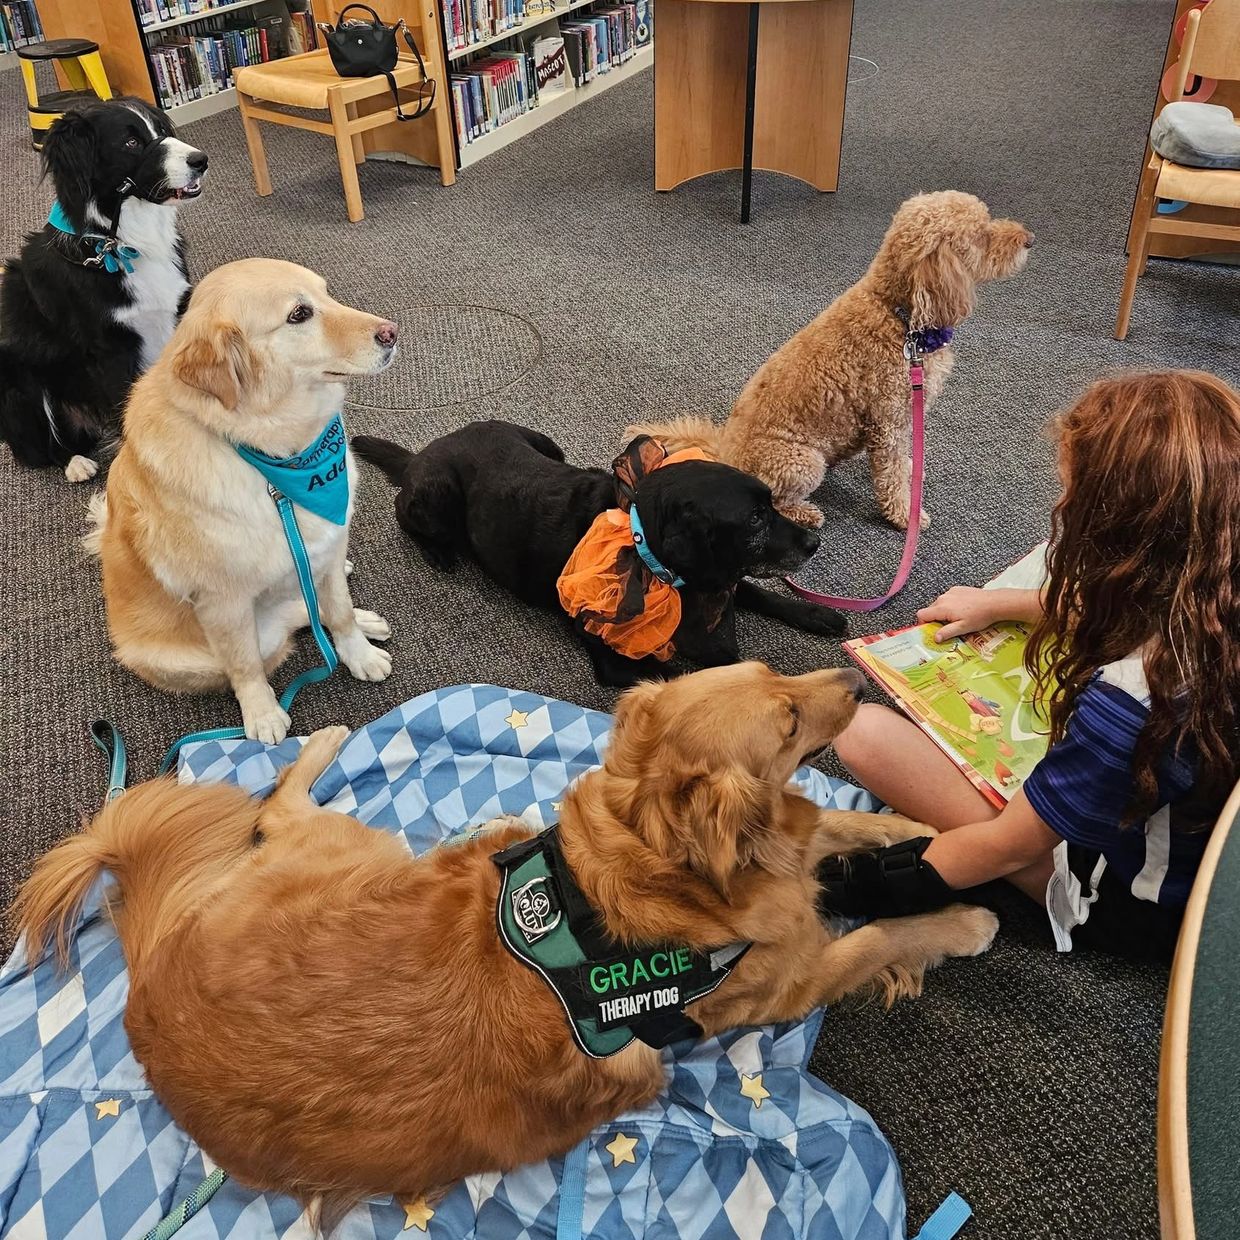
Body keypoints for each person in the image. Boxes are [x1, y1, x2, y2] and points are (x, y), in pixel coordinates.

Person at [819, 370, 1240, 961]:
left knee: (861, 732)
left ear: (1123, 540)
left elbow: (1004, 847)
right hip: (1214, 865)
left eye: (1074, 503)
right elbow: (1111, 603)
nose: (1060, 508)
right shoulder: (1214, 584)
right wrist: (1004, 602)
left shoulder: (1137, 697)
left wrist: (842, 886)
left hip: (1141, 908)